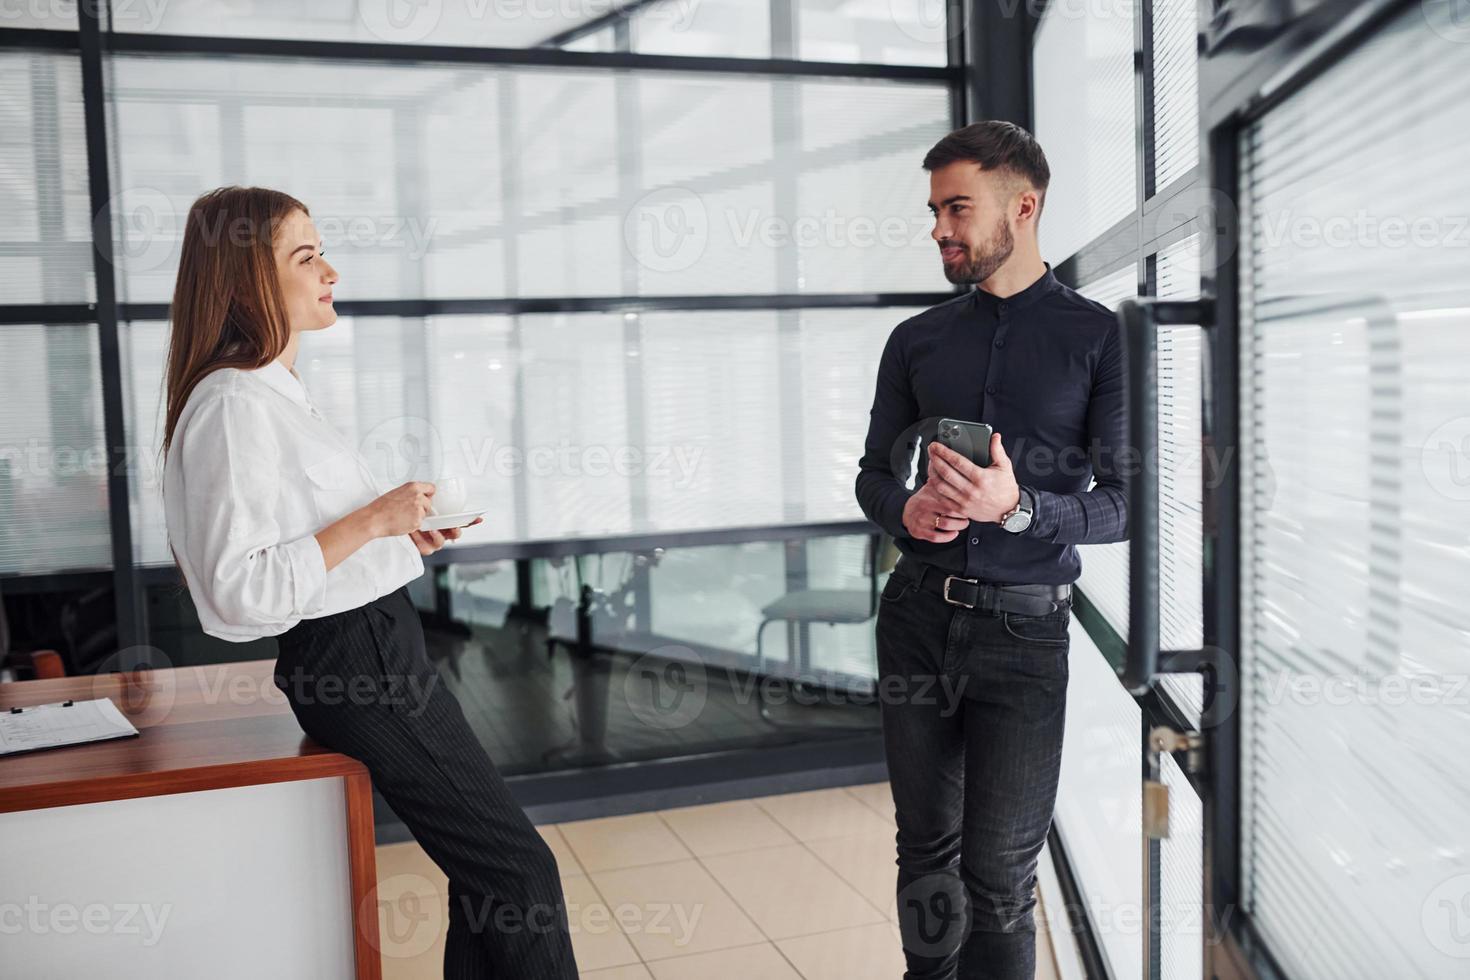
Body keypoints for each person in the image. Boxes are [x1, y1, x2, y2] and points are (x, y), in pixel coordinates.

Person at [160, 186, 578, 979]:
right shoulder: (232, 405)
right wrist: (369, 523)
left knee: (491, 877)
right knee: (521, 875)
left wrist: (395, 536)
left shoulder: (273, 393)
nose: (332, 271)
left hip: (377, 650)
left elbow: (305, 546)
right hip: (359, 664)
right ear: (248, 277)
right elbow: (233, 591)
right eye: (307, 256)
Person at [855, 121, 1129, 979]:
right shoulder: (916, 339)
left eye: (957, 208)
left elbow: (1124, 506)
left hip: (1025, 642)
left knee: (1002, 880)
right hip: (915, 623)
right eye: (935, 210)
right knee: (924, 854)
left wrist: (1018, 509)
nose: (940, 228)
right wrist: (910, 514)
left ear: (1024, 204)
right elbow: (871, 475)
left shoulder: (1100, 338)